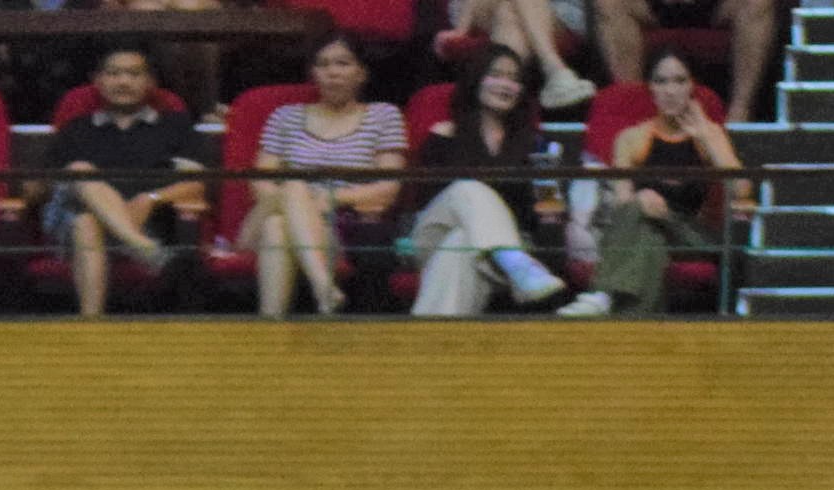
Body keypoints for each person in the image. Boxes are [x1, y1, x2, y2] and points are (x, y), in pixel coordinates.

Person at [563, 46, 738, 314]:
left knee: (646, 223)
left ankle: (602, 293)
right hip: (645, 229)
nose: (670, 90)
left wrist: (705, 138)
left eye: (680, 81)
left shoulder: (709, 134)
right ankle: (639, 330)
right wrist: (641, 203)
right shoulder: (632, 138)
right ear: (651, 88)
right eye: (661, 81)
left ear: (692, 86)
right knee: (649, 238)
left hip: (693, 235)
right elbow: (623, 205)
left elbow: (741, 190)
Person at [245, 30, 405, 317]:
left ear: (362, 72)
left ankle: (268, 332)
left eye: (343, 63)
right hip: (266, 213)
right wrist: (300, 200)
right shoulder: (285, 116)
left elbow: (389, 187)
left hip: (337, 227)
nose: (332, 72)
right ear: (313, 73)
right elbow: (261, 181)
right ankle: (323, 286)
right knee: (293, 189)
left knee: (277, 231)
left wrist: (327, 200)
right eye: (323, 64)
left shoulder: (384, 116)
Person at [403, 49, 569, 316]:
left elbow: (550, 213)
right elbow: (425, 201)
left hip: (492, 247)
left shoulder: (537, 146)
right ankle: (515, 263)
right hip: (434, 233)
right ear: (476, 79)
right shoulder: (444, 135)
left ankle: (427, 344)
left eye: (514, 78)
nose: (505, 84)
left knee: (461, 243)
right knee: (467, 190)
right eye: (496, 75)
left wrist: (551, 210)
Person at [51, 41, 202, 317]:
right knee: (82, 186)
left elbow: (196, 185)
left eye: (134, 74)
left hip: (146, 221)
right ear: (97, 81)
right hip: (72, 223)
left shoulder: (174, 124)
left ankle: (90, 325)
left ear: (150, 82)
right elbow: (44, 186)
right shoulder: (77, 128)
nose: (123, 81)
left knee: (89, 222)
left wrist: (152, 198)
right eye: (113, 73)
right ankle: (144, 251)